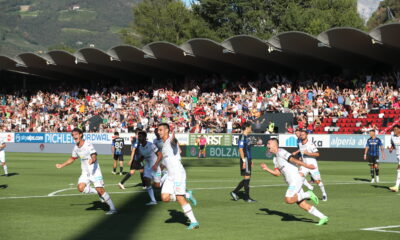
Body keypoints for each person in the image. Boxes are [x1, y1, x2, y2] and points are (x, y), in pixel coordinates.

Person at [260, 138, 329, 226]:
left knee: (288, 199)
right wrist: (266, 169)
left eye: (268, 143)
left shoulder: (281, 152)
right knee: (302, 204)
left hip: (295, 179)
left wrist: (306, 165)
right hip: (292, 182)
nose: (267, 145)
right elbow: (277, 173)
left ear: (274, 144)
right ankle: (323, 217)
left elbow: (293, 159)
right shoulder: (275, 159)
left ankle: (308, 194)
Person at [55, 128, 117, 215]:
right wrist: (62, 165)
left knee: (100, 190)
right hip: (85, 172)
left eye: (76, 134)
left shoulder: (88, 144)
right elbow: (72, 158)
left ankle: (113, 209)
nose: (74, 136)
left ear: (80, 134)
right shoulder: (76, 148)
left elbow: (94, 155)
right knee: (80, 188)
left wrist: (93, 159)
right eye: (72, 135)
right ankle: (97, 192)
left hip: (94, 171)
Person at [155, 123, 199, 230]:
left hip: (178, 173)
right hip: (170, 175)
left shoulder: (171, 140)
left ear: (166, 130)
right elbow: (166, 160)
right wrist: (158, 169)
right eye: (158, 130)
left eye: (161, 130)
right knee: (164, 197)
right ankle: (187, 194)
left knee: (179, 197)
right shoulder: (163, 144)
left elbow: (174, 142)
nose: (158, 132)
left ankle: (194, 222)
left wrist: (174, 139)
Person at [294, 130, 328, 201]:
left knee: (318, 181)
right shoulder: (300, 143)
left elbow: (317, 154)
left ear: (307, 135)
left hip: (312, 166)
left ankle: (324, 194)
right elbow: (301, 150)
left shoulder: (311, 144)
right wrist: (299, 157)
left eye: (303, 134)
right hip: (304, 165)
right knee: (298, 176)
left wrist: (308, 154)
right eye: (301, 134)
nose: (302, 135)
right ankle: (309, 188)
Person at [230, 122, 255, 202]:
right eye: (250, 127)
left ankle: (235, 192)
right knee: (247, 178)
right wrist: (244, 161)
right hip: (245, 159)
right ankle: (246, 198)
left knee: (247, 178)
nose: (251, 129)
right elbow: (240, 149)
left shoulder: (247, 137)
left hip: (248, 159)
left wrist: (251, 160)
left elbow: (248, 149)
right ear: (247, 128)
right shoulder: (242, 137)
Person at [136, 131, 162, 205]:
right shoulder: (140, 148)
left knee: (157, 185)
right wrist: (138, 162)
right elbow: (142, 157)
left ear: (145, 137)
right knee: (147, 181)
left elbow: (160, 155)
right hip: (148, 167)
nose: (139, 138)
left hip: (155, 167)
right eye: (138, 136)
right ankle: (153, 201)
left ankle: (165, 179)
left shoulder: (151, 145)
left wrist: (156, 165)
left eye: (141, 136)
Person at [389, 125, 400, 192]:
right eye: (394, 129)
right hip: (398, 155)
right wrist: (391, 148)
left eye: (396, 129)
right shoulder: (392, 137)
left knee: (399, 169)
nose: (394, 131)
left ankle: (396, 186)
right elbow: (393, 144)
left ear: (399, 130)